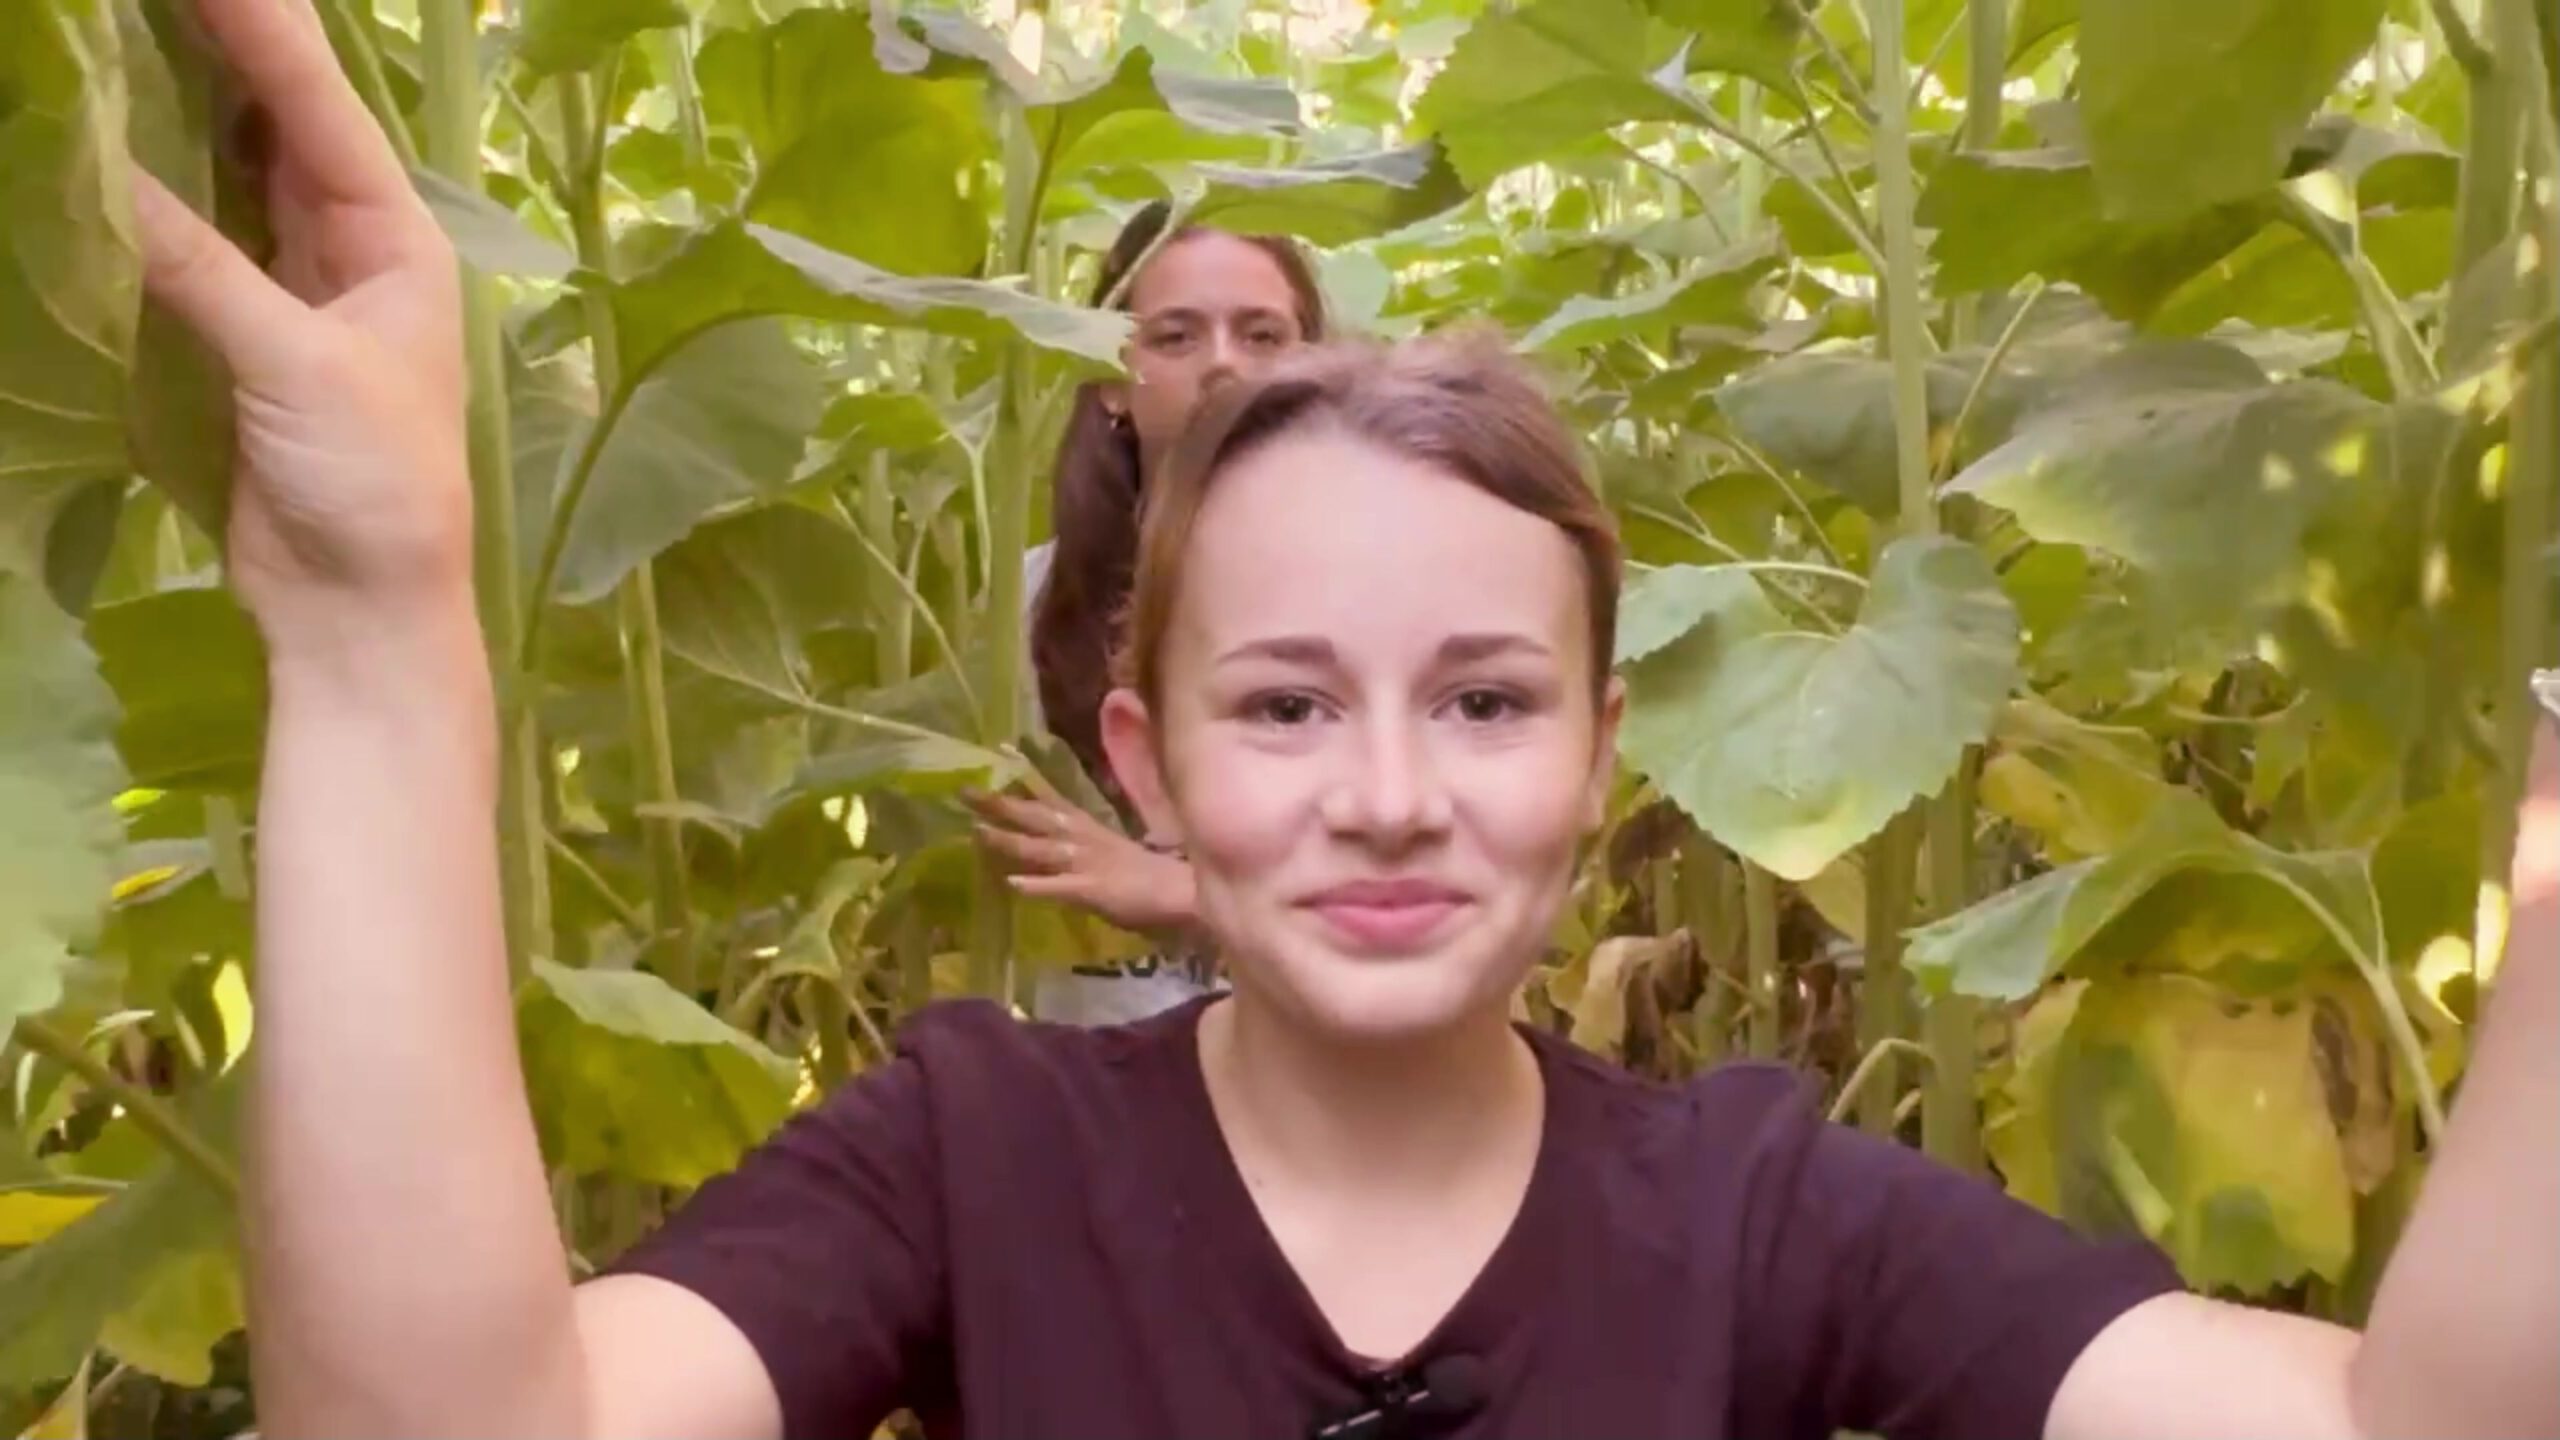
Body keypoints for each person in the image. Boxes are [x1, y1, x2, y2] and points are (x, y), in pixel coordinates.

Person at [140, 3, 2560, 1438]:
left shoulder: (1755, 1207)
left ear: (1598, 753)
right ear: (1143, 761)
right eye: (1283, 703)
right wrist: (375, 613)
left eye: (1484, 698)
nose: (1390, 793)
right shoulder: (972, 1154)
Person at [969, 202, 1328, 1025]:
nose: (1223, 364)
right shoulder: (1026, 601)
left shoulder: (1382, 585)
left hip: (1311, 1074)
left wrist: (1175, 892)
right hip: (1088, 1078)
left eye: (1262, 335)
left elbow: (1418, 892)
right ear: (1110, 383)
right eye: (1175, 337)